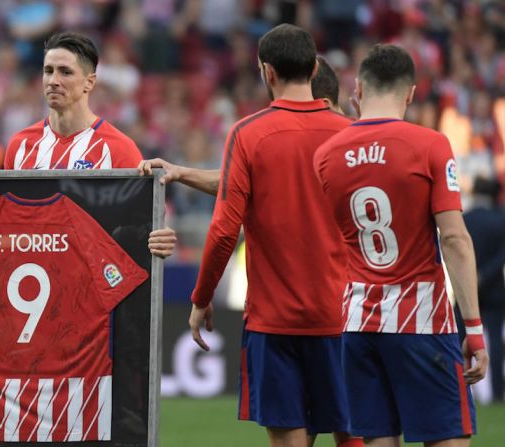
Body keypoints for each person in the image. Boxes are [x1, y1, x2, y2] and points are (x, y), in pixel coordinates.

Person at [168, 24, 359, 447]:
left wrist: (201, 298)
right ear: (313, 68)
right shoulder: (350, 136)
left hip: (275, 322)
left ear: (266, 73)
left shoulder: (248, 133)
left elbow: (222, 230)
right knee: (353, 434)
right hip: (344, 315)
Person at [313, 44, 488, 446]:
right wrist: (474, 327)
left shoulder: (326, 156)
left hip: (358, 320)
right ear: (410, 93)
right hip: (420, 319)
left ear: (358, 88)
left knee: (376, 439)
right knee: (448, 436)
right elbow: (456, 239)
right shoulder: (429, 145)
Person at [0, 32, 175, 258]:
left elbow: (146, 224)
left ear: (89, 82)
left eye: (65, 72)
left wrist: (160, 238)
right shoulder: (20, 145)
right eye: (48, 71)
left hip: (92, 297)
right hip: (28, 282)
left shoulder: (119, 149)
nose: (53, 81)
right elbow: (3, 223)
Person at [138, 54, 347, 194]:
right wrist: (181, 172)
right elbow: (237, 180)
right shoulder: (297, 137)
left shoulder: (346, 144)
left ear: (325, 104)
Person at [463, 177, 505, 403]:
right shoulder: (500, 219)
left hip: (466, 289)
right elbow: (501, 256)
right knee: (495, 342)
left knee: (459, 339)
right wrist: (484, 276)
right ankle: (497, 392)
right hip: (495, 289)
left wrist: (472, 277)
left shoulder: (465, 219)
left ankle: (458, 388)